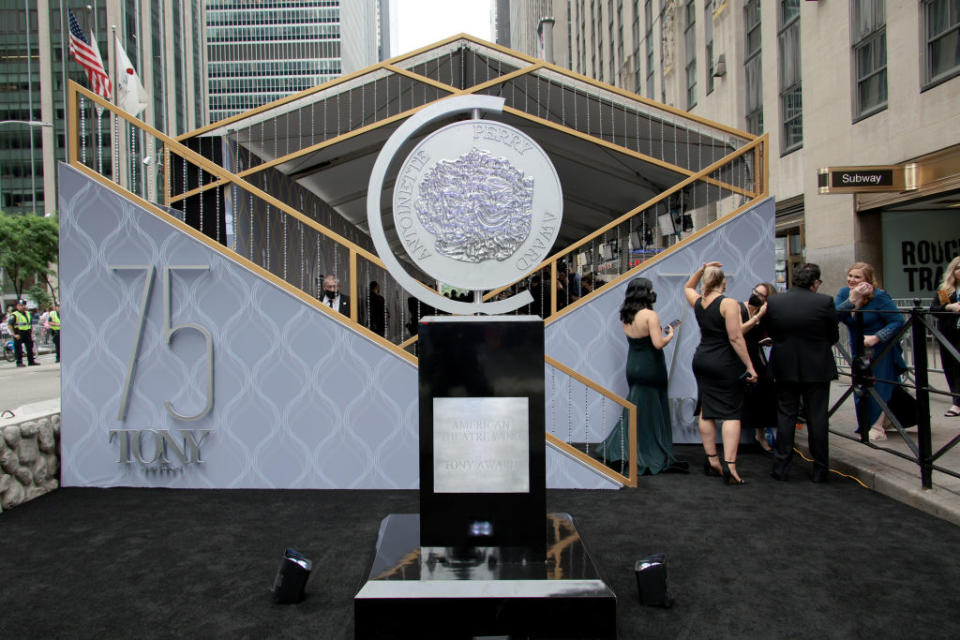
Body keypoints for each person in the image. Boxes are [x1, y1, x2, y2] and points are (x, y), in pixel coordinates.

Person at [595, 277, 687, 475]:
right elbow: (658, 344)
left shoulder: (626, 315)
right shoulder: (649, 315)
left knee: (636, 407)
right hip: (651, 366)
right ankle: (648, 450)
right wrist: (669, 334)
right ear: (646, 292)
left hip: (633, 365)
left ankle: (626, 447)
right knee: (652, 408)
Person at [765, 263, 839, 482]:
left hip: (785, 364)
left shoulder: (775, 301)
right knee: (817, 417)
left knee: (786, 415)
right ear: (815, 282)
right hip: (816, 365)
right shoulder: (824, 302)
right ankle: (820, 469)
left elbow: (772, 331)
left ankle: (781, 467)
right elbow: (833, 335)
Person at [684, 262, 757, 485]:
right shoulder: (728, 303)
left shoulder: (699, 301)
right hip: (724, 362)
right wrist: (750, 367)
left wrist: (701, 268)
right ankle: (730, 465)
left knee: (707, 410)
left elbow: (688, 287)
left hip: (702, 359)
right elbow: (735, 337)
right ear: (723, 281)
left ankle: (712, 459)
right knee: (731, 413)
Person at [835, 261, 906, 441]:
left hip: (880, 347)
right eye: (850, 276)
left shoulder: (879, 296)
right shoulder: (844, 293)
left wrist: (877, 337)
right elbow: (835, 316)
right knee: (860, 385)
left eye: (857, 277)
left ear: (868, 279)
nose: (852, 280)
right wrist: (853, 298)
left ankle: (877, 426)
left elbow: (897, 321)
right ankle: (866, 423)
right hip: (857, 346)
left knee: (878, 384)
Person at [741, 282, 777, 453]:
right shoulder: (740, 309)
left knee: (762, 392)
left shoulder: (767, 315)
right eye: (755, 292)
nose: (755, 296)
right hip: (739, 356)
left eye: (761, 295)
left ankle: (760, 435)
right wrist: (756, 316)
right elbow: (738, 332)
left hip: (757, 355)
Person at [932, 256, 960, 417]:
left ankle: (957, 404)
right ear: (953, 271)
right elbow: (935, 310)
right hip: (949, 334)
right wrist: (950, 306)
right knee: (950, 367)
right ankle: (956, 401)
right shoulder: (946, 290)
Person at [8, 299, 39, 367]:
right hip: (18, 332)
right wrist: (14, 334)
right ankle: (19, 362)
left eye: (22, 305)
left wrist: (31, 333)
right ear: (17, 306)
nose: (21, 307)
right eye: (19, 305)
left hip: (27, 332)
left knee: (29, 347)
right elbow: (10, 325)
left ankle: (31, 361)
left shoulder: (28, 313)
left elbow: (29, 324)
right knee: (18, 348)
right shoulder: (14, 314)